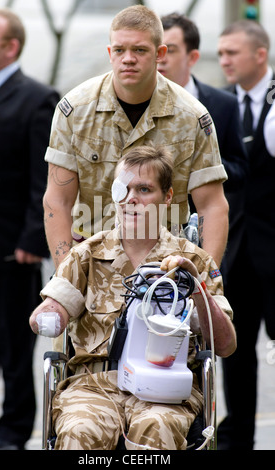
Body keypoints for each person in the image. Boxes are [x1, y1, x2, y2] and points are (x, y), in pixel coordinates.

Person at [30, 145, 236, 450]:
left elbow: (226, 345)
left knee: (157, 430)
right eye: (123, 188)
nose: (131, 198)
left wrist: (195, 287)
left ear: (167, 197)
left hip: (163, 388)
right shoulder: (87, 255)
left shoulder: (194, 260)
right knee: (79, 431)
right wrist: (50, 314)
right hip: (93, 386)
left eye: (143, 189)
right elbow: (50, 311)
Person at [43, 5, 229, 271]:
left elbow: (212, 206)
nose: (128, 59)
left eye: (139, 50)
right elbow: (57, 200)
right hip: (92, 269)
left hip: (166, 274)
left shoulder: (191, 116)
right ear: (110, 53)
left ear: (159, 54)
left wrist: (204, 278)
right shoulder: (75, 110)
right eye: (119, 50)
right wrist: (66, 277)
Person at [0, 8, 59, 450]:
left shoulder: (37, 98)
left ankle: (11, 433)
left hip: (11, 253)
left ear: (10, 46)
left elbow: (43, 179)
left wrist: (33, 239)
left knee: (11, 351)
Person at [217, 19, 275, 450]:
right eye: (220, 54)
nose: (224, 61)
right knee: (234, 356)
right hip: (236, 251)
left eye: (231, 53)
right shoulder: (220, 107)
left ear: (261, 54)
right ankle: (238, 440)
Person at [159, 13, 248, 278]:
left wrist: (198, 171)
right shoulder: (135, 105)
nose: (160, 57)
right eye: (156, 49)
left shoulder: (223, 104)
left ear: (193, 57)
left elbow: (241, 170)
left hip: (203, 239)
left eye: (170, 50)